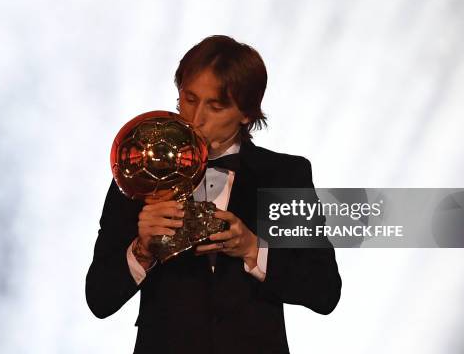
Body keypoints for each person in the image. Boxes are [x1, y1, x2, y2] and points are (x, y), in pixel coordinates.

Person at [86, 35, 342, 354]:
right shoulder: (138, 171)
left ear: (247, 113)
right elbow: (99, 298)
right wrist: (142, 249)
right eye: (189, 99)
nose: (195, 119)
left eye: (215, 106)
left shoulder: (284, 175)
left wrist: (253, 248)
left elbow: (324, 290)